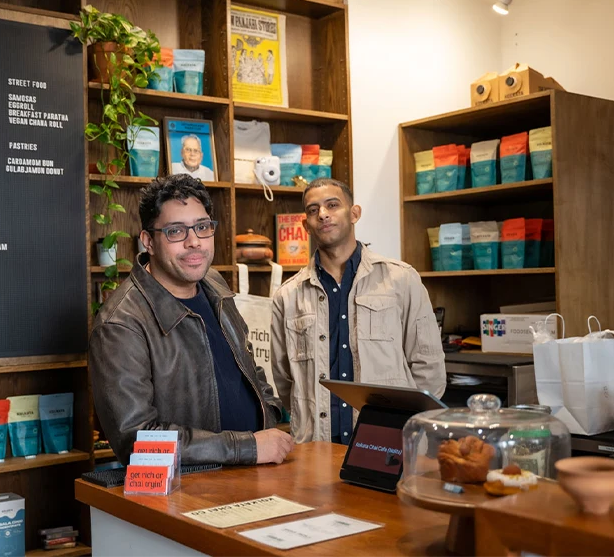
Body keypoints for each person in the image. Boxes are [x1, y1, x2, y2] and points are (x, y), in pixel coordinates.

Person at [90, 174, 293, 465]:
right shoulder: (121, 323)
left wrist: (268, 412)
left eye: (202, 227)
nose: (194, 242)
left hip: (252, 472)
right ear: (148, 241)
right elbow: (136, 440)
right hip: (186, 491)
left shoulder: (214, 283)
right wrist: (247, 447)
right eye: (175, 231)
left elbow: (248, 367)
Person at [271, 178, 446, 444]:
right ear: (306, 224)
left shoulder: (401, 279)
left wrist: (400, 429)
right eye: (313, 210)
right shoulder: (288, 295)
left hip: (386, 447)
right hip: (315, 449)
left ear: (355, 214)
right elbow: (285, 380)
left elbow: (429, 367)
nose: (323, 214)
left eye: (332, 205)